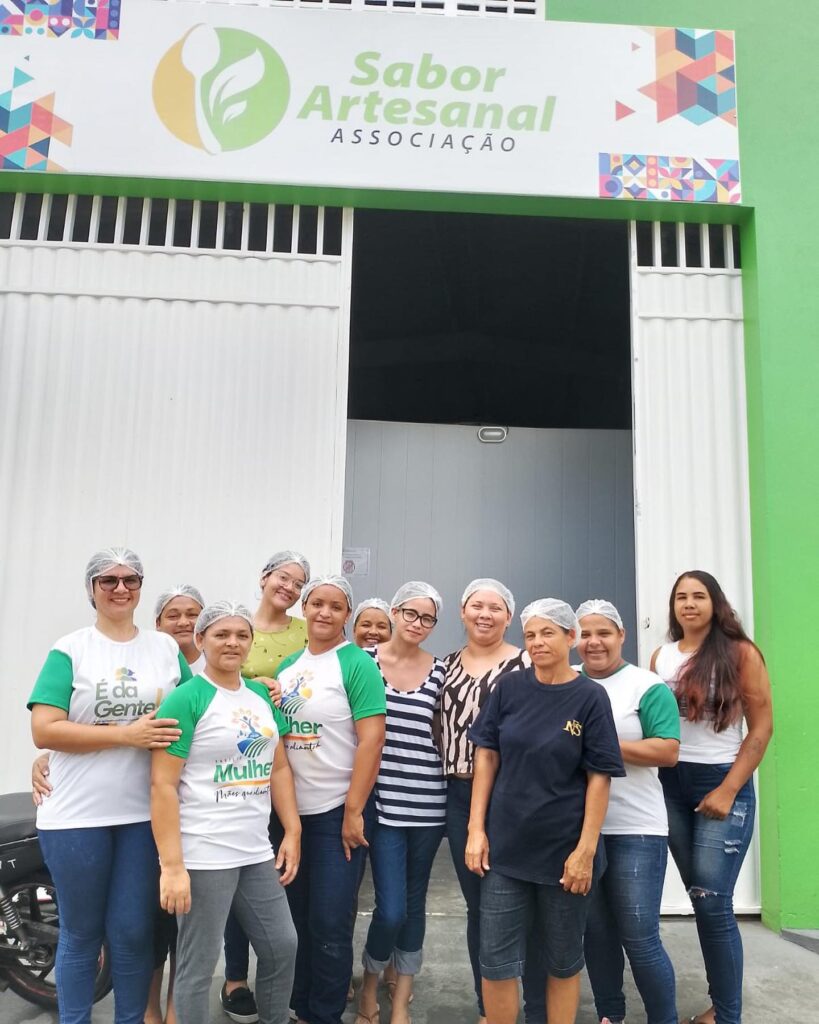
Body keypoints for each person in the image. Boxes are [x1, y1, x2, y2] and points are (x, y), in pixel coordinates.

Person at [27, 547, 191, 1024]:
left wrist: (261, 690)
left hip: (142, 815)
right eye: (108, 580)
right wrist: (125, 736)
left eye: (130, 579)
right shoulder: (70, 649)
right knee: (82, 933)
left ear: (140, 586)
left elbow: (199, 712)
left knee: (133, 933)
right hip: (76, 816)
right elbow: (44, 729)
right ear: (91, 589)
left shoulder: (164, 649)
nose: (121, 588)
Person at [466, 598, 625, 1024]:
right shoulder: (509, 688)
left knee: (562, 960)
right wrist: (476, 829)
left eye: (548, 633)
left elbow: (599, 777)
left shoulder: (590, 697)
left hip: (564, 855)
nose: (537, 642)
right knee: (496, 961)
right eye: (530, 635)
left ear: (571, 637)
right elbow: (487, 756)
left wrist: (585, 851)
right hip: (506, 852)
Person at [151, 601, 300, 1024]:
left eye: (241, 635)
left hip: (254, 850)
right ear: (200, 639)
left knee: (282, 946)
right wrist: (172, 866)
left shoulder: (260, 695)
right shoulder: (187, 698)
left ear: (251, 641)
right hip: (204, 852)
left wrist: (292, 830)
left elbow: (279, 767)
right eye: (221, 634)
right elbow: (162, 785)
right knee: (197, 965)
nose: (232, 643)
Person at [651, 571, 773, 1024]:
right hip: (670, 783)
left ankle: (726, 1015)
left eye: (698, 596)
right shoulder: (662, 656)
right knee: (702, 899)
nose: (689, 604)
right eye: (681, 596)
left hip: (721, 780)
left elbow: (761, 728)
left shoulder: (740, 653)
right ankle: (721, 1007)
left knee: (713, 901)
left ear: (715, 602)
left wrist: (728, 789)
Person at [273, 574, 386, 1024]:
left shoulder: (356, 664)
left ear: (347, 615)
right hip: (288, 817)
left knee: (329, 923)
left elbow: (372, 739)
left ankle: (324, 1013)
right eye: (316, 603)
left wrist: (354, 811)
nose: (324, 612)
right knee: (295, 921)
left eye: (336, 606)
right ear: (303, 608)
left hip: (336, 812)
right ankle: (300, 1007)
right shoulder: (288, 666)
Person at [439, 578, 546, 1024]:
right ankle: (492, 1009)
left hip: (512, 797)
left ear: (509, 617)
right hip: (458, 797)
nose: (485, 614)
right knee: (480, 908)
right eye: (476, 606)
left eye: (495, 608)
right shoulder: (444, 666)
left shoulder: (527, 664)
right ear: (462, 612)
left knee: (523, 906)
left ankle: (536, 1006)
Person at [575, 599, 680, 1024]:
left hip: (636, 827)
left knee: (639, 935)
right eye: (585, 634)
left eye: (603, 633)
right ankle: (610, 1015)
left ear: (622, 635)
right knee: (596, 932)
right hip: (581, 830)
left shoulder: (646, 686)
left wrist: (602, 746)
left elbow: (668, 751)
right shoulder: (567, 682)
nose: (594, 642)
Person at [221, 550, 310, 1024]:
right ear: (263, 577)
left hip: (290, 769)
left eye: (298, 583)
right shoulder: (234, 624)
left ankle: (284, 985)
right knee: (235, 882)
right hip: (239, 776)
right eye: (283, 577)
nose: (289, 588)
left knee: (278, 885)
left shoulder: (306, 632)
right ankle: (235, 978)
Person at [355, 582, 447, 1024]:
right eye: (410, 613)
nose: (417, 623)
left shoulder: (441, 671)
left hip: (429, 805)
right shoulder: (364, 662)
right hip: (384, 805)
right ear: (394, 612)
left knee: (413, 905)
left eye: (427, 618)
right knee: (390, 909)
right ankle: (370, 982)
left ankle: (400, 1000)